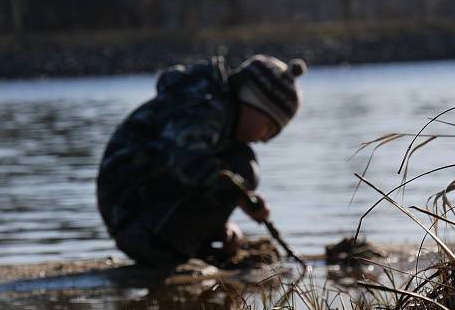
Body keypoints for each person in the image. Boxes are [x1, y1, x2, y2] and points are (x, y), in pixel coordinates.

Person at [96, 54, 307, 269]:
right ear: (253, 102)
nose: (264, 139)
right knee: (242, 166)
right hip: (131, 218)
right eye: (269, 129)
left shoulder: (215, 110)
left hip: (140, 209)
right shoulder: (204, 106)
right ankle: (164, 248)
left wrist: (221, 223)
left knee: (240, 161)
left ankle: (189, 245)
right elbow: (186, 163)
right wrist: (240, 195)